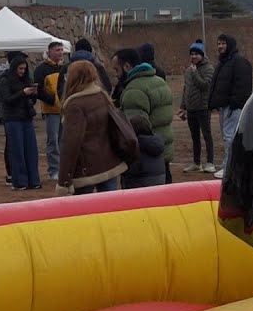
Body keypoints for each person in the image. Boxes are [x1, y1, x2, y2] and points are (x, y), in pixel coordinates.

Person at [55, 60, 127, 195]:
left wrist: (64, 180)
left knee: (83, 211)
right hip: (109, 164)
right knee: (109, 209)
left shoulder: (75, 105)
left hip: (85, 170)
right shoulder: (102, 96)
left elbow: (70, 144)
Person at [113, 46, 175, 180]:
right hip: (162, 151)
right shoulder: (159, 81)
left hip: (144, 160)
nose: (115, 75)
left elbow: (134, 130)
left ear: (127, 66)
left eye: (116, 69)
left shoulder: (133, 91)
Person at [207, 33, 253, 180]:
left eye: (223, 43)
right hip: (224, 107)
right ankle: (229, 164)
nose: (220, 46)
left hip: (233, 108)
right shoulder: (223, 63)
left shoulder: (239, 62)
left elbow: (243, 85)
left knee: (230, 137)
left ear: (230, 45)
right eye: (219, 43)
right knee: (227, 136)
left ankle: (229, 168)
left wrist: (235, 103)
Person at [0, 54, 41, 190]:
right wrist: (23, 93)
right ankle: (19, 181)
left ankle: (33, 180)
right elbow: (7, 99)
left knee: (31, 150)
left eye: (24, 69)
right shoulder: (5, 79)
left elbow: (32, 100)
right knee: (17, 150)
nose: (22, 71)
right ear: (14, 68)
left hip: (26, 117)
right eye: (20, 68)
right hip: (12, 119)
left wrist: (33, 93)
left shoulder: (26, 79)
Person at [178, 39, 216, 172]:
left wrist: (195, 73)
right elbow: (186, 89)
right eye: (192, 54)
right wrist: (183, 106)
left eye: (196, 54)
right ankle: (196, 162)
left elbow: (205, 85)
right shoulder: (189, 70)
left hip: (203, 108)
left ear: (202, 55)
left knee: (207, 135)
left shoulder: (209, 69)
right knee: (195, 137)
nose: (193, 56)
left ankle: (210, 162)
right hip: (191, 109)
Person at [33, 41, 66, 181]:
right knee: (53, 140)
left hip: (64, 109)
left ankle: (63, 168)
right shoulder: (41, 69)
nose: (60, 52)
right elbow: (38, 90)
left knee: (63, 140)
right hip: (51, 110)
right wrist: (52, 99)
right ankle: (53, 170)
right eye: (57, 50)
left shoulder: (64, 68)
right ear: (50, 51)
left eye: (61, 50)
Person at [121, 113, 168, 189]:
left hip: (141, 183)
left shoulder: (137, 144)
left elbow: (132, 171)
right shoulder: (156, 142)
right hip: (160, 181)